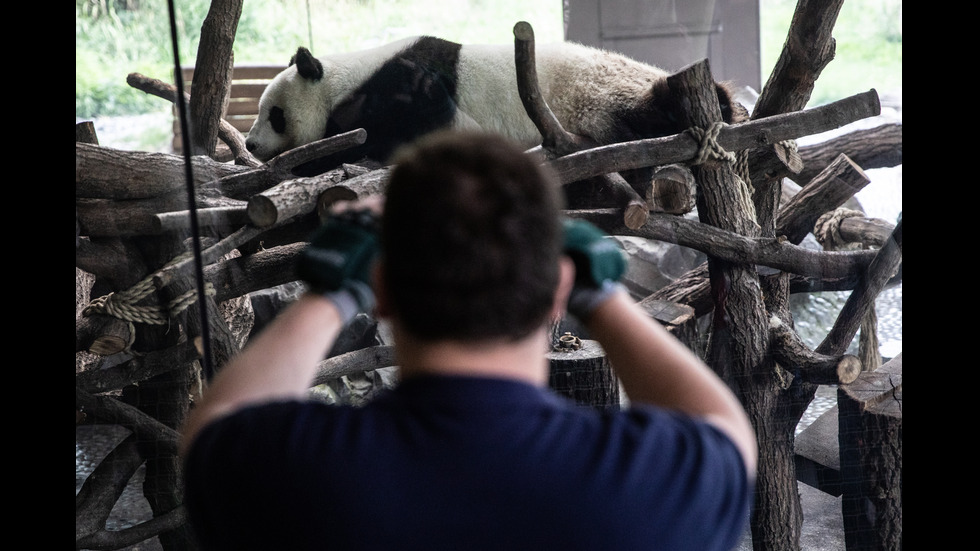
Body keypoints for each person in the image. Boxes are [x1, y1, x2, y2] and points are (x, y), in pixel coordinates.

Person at [180, 130, 757, 550]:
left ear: (381, 290)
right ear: (558, 288)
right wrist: (601, 298)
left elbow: (216, 423)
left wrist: (332, 292)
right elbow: (727, 431)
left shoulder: (302, 477)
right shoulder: (648, 485)